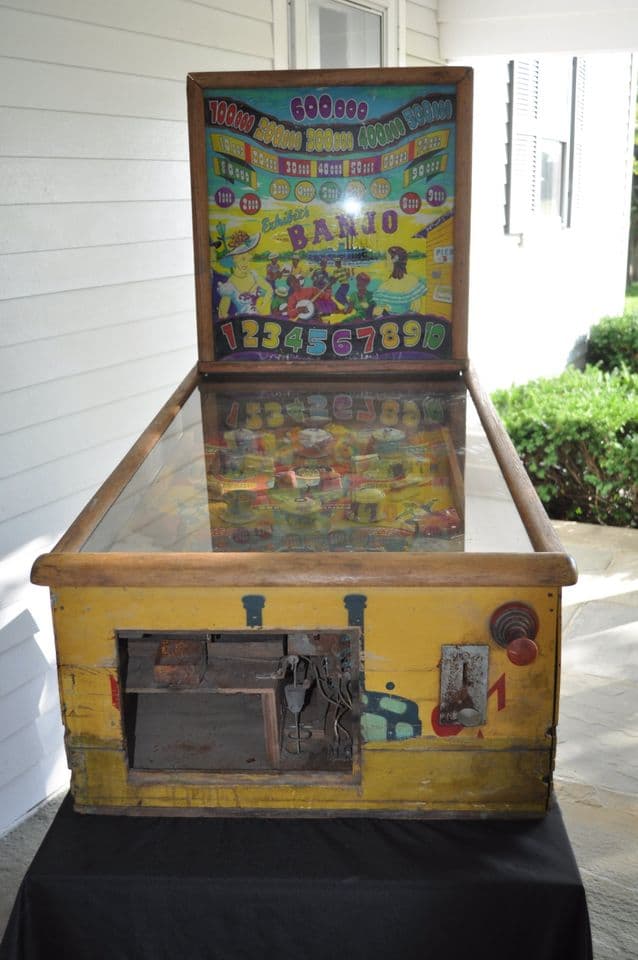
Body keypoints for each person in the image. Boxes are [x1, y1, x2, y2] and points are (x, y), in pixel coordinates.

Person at [217, 231, 271, 318]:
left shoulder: (253, 275)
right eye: (242, 259)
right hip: (244, 322)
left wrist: (262, 306)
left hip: (262, 320)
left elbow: (269, 290)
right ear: (234, 260)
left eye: (248, 259)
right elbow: (222, 314)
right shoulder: (229, 286)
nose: (245, 263)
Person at [373, 246, 427, 317]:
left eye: (387, 259)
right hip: (396, 321)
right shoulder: (384, 286)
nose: (385, 263)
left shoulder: (384, 287)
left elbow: (416, 308)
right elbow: (416, 308)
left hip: (403, 321)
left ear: (395, 259)